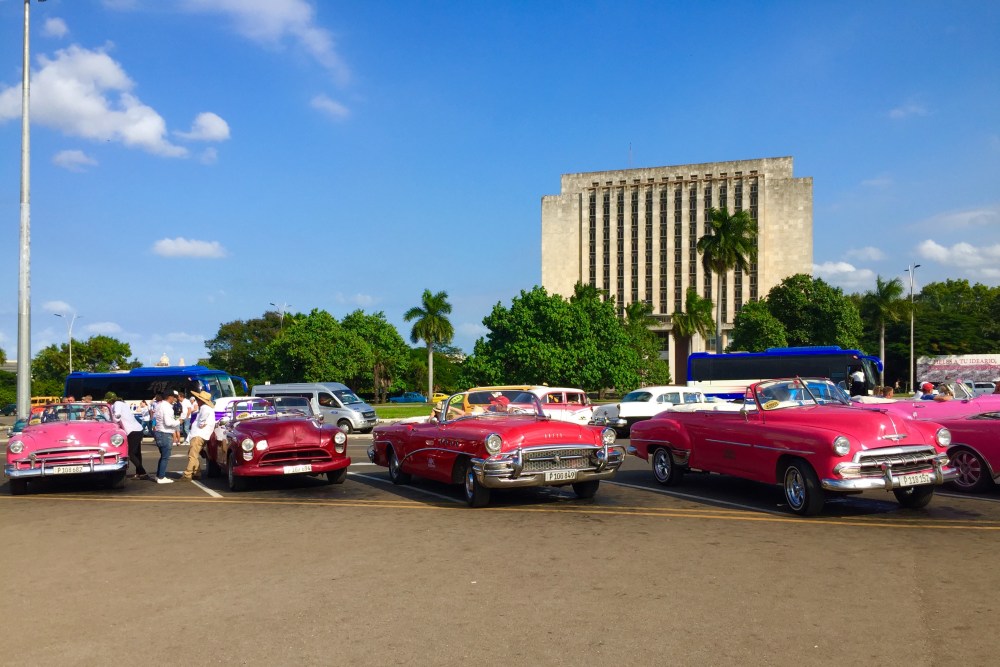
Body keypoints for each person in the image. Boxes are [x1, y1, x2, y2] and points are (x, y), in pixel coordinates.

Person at [106, 392, 148, 480]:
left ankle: (143, 472)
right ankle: (140, 473)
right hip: (137, 429)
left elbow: (117, 416)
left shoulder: (117, 404)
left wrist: (111, 419)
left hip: (132, 431)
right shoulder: (122, 403)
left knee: (129, 453)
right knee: (137, 453)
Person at [180, 391, 216, 481]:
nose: (196, 401)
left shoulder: (204, 408)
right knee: (193, 454)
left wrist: (201, 424)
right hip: (201, 435)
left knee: (192, 455)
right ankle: (196, 472)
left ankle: (187, 474)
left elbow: (201, 422)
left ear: (201, 400)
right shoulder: (207, 408)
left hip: (198, 434)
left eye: (197, 399)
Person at [153, 393, 180, 484]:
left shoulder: (159, 405)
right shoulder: (167, 407)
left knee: (163, 456)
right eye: (174, 397)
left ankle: (158, 475)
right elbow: (168, 422)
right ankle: (161, 477)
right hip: (165, 433)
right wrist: (178, 422)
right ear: (170, 397)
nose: (175, 399)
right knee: (165, 457)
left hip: (159, 432)